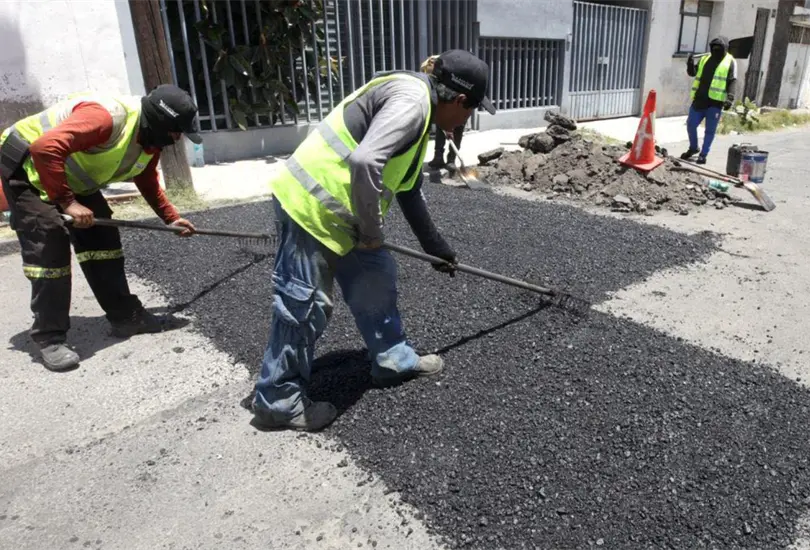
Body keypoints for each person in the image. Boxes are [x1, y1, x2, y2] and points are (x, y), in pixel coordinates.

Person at [251, 49, 496, 432]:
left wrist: (437, 250)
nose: (467, 119)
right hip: (310, 205)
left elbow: (409, 190)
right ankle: (278, 401)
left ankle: (393, 359)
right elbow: (366, 161)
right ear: (460, 100)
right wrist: (371, 233)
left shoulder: (422, 114)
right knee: (304, 305)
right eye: (471, 111)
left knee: (376, 277)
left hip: (348, 216)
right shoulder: (412, 102)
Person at [0, 84, 200, 371]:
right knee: (49, 238)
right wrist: (68, 203)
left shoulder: (148, 139)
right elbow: (44, 148)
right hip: (26, 164)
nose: (177, 138)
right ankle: (50, 337)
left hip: (64, 171)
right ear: (159, 121)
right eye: (175, 131)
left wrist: (170, 217)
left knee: (102, 234)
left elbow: (145, 178)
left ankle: (124, 316)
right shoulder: (106, 118)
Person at [681, 36, 737, 164]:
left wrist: (730, 98)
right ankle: (694, 148)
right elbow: (693, 73)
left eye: (719, 48)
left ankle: (703, 154)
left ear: (725, 48)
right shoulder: (704, 58)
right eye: (714, 47)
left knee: (709, 131)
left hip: (715, 103)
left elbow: (732, 81)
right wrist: (690, 64)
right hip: (699, 99)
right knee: (690, 124)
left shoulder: (730, 61)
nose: (716, 50)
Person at [421, 55, 466, 170]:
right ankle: (438, 157)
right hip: (446, 105)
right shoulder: (434, 73)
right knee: (440, 131)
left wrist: (450, 126)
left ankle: (451, 160)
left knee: (457, 133)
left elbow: (452, 101)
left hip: (460, 106)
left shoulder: (453, 77)